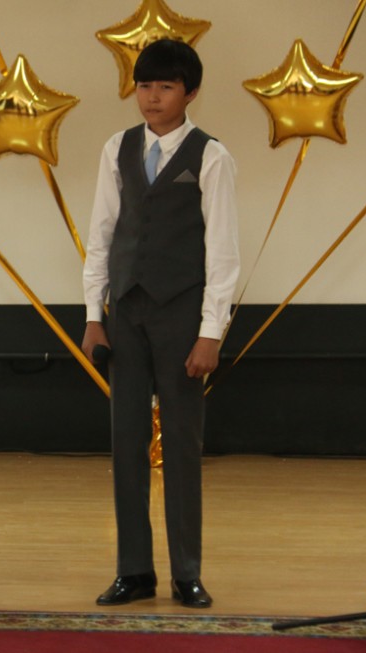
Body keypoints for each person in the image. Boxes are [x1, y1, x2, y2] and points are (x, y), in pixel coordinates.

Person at [81, 39, 240, 609]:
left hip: (181, 314)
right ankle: (133, 571)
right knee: (125, 442)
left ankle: (186, 573)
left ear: (190, 92)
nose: (152, 97)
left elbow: (223, 253)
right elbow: (101, 235)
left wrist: (211, 332)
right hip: (125, 312)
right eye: (144, 86)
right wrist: (94, 315)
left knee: (181, 445)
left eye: (165, 87)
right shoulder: (117, 148)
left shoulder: (211, 156)